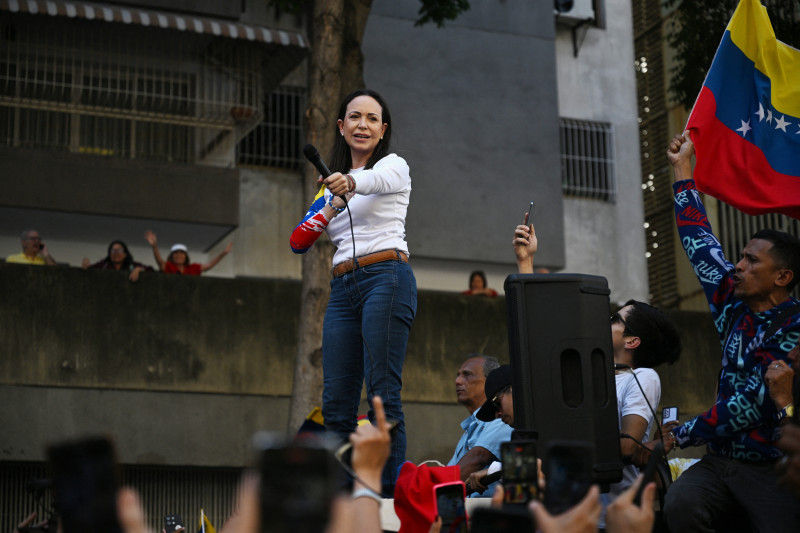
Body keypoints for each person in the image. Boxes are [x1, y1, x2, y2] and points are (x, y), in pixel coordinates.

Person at [661, 132, 800, 532]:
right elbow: (699, 242)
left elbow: (753, 403)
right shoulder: (731, 304)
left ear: (782, 277)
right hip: (719, 461)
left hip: (773, 467)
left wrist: (681, 434)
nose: (737, 265)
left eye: (750, 260)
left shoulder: (796, 327)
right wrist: (682, 168)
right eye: (739, 257)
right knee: (680, 504)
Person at [288, 89, 417, 493]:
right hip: (343, 288)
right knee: (336, 406)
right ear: (341, 127)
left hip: (387, 277)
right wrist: (330, 204)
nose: (363, 124)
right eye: (354, 117)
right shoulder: (328, 190)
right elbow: (298, 241)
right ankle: (345, 501)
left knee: (382, 396)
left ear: (382, 131)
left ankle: (388, 503)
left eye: (372, 119)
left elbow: (374, 180)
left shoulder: (393, 166)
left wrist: (350, 182)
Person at [448, 354, 512, 496]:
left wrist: (431, 494)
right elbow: (449, 472)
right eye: (458, 375)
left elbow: (478, 458)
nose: (457, 381)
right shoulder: (470, 427)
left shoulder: (506, 421)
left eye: (467, 375)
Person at [145, 230, 232, 276]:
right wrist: (154, 246)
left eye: (182, 253)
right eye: (176, 253)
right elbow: (159, 260)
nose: (179, 255)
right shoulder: (168, 266)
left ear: (185, 256)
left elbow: (209, 265)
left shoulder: (192, 268)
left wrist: (223, 253)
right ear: (171, 256)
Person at [81, 240, 154, 282]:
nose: (116, 253)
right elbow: (89, 269)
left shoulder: (131, 265)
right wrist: (86, 262)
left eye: (119, 250)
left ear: (125, 254)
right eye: (113, 251)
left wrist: (138, 269)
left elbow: (150, 270)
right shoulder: (104, 265)